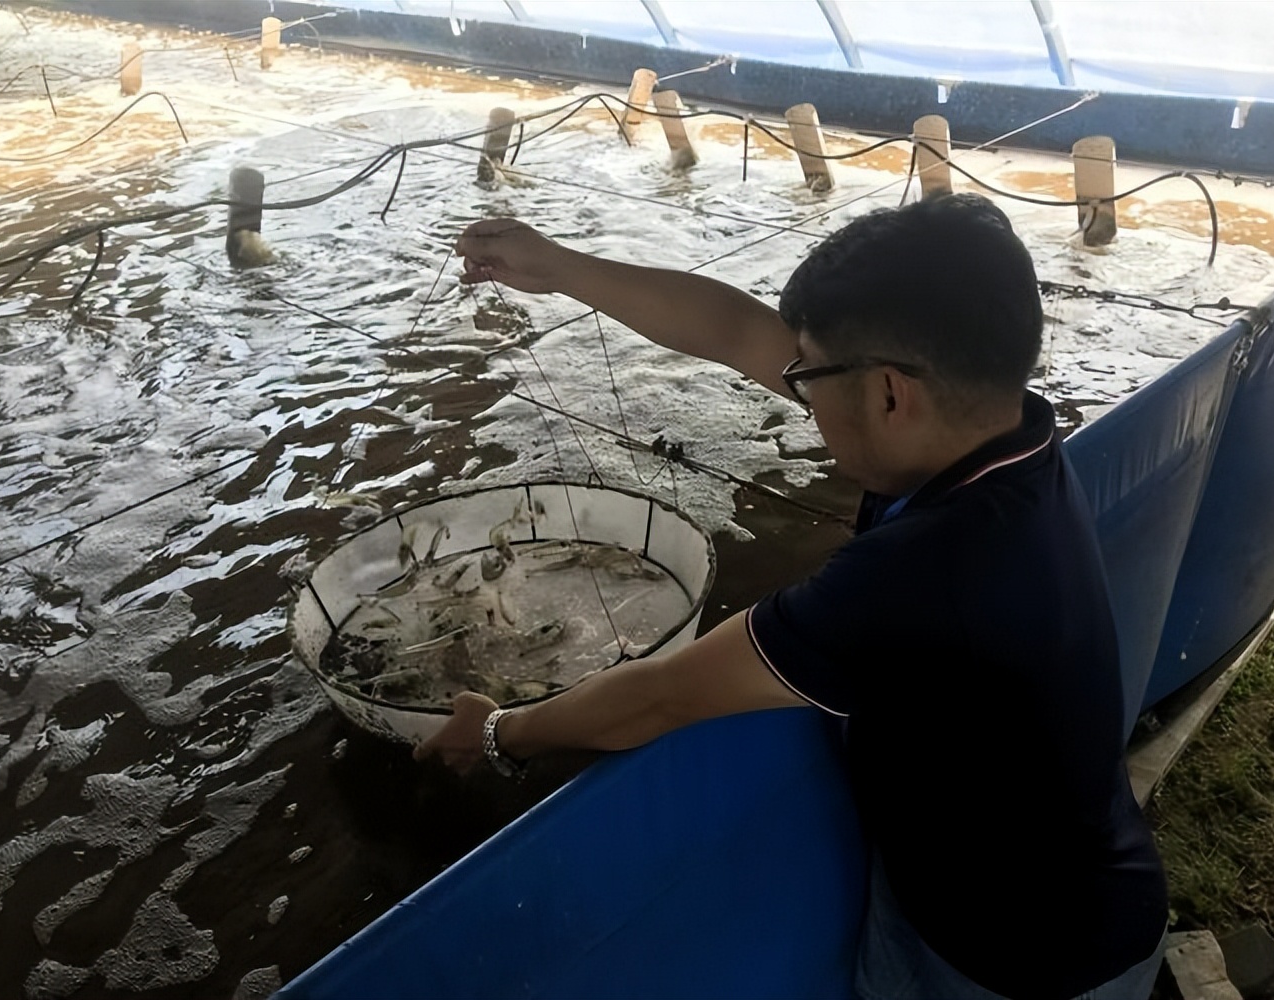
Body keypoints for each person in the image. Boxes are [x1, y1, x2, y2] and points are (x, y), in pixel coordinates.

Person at [415, 194, 1168, 1000]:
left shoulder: (919, 575)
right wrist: (559, 267)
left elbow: (662, 697)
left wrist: (499, 732)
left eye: (806, 375)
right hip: (1046, 879)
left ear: (887, 394)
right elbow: (734, 330)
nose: (796, 391)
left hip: (1019, 962)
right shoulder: (1004, 430)